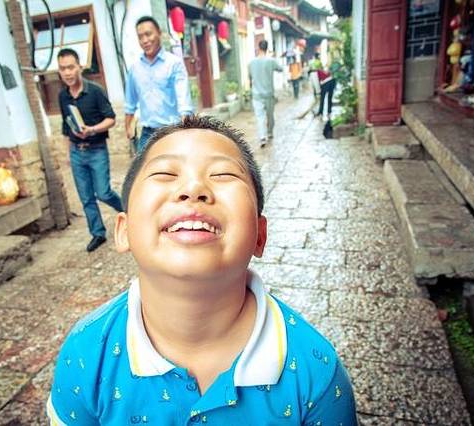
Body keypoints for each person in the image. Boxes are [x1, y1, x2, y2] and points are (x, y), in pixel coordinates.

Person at [46, 115, 358, 425]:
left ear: (260, 235)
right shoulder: (86, 353)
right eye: (165, 173)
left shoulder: (315, 371)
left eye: (223, 174)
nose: (193, 188)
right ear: (123, 231)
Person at [57, 48, 123, 252]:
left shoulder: (95, 91)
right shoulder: (63, 96)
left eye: (70, 67)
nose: (67, 73)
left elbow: (111, 119)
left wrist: (92, 129)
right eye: (62, 69)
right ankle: (97, 233)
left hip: (96, 150)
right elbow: (66, 127)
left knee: (103, 192)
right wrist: (68, 154)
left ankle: (128, 210)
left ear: (80, 67)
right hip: (77, 152)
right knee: (86, 197)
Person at [124, 16, 193, 153]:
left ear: (159, 33)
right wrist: (128, 128)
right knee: (142, 166)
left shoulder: (174, 64)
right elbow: (130, 104)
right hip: (147, 134)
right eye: (140, 37)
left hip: (172, 132)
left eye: (148, 34)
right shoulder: (135, 69)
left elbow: (184, 102)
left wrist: (185, 132)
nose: (145, 40)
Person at [248, 40, 283, 147]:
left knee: (260, 117)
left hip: (256, 95)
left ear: (258, 48)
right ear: (267, 48)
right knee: (270, 116)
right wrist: (274, 58)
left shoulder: (251, 63)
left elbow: (250, 78)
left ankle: (262, 137)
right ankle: (270, 133)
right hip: (269, 94)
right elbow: (281, 69)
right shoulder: (271, 61)